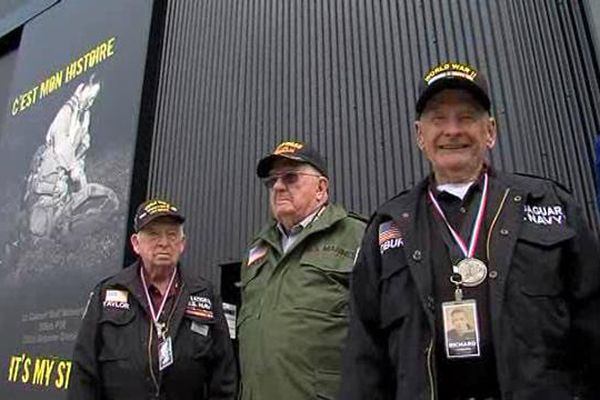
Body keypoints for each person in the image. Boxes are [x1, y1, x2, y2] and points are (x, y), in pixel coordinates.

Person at [340, 61, 600, 399]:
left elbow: (593, 321)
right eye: (438, 119)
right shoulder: (388, 226)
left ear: (490, 130)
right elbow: (364, 355)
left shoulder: (551, 206)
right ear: (420, 135)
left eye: (466, 117)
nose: (452, 130)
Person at [69, 199, 236, 400]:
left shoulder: (205, 295)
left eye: (172, 235)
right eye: (153, 234)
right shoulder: (106, 294)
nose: (164, 243)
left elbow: (224, 379)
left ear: (182, 244)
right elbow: (83, 375)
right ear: (136, 244)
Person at [237, 140, 366, 400]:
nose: (278, 186)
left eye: (291, 177)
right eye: (272, 181)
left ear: (321, 188)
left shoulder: (357, 236)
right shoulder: (257, 250)